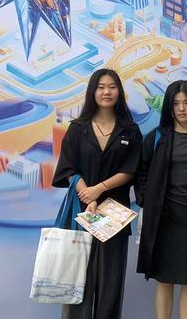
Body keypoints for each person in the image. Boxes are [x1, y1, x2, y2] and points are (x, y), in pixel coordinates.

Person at [52, 68, 142, 319]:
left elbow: (131, 170)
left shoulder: (130, 130)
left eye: (112, 87)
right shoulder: (77, 128)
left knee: (110, 284)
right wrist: (87, 195)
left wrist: (98, 190)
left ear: (119, 91)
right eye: (101, 87)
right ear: (93, 91)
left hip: (116, 216)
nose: (106, 92)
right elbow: (68, 168)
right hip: (82, 214)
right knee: (78, 279)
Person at [136, 80, 187, 319]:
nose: (181, 109)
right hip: (164, 220)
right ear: (169, 107)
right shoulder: (156, 137)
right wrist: (147, 200)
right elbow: (141, 173)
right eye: (176, 104)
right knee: (164, 279)